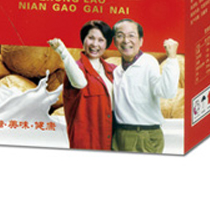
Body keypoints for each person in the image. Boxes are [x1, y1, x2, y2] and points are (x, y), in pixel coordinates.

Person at [111, 18, 180, 153]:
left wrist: (171, 58)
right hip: (119, 134)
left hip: (143, 135)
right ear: (114, 41)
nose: (126, 40)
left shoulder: (148, 62)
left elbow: (167, 92)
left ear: (141, 41)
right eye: (120, 36)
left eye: (131, 36)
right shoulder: (117, 71)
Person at [48, 20, 116, 150]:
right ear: (83, 39)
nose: (95, 44)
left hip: (110, 138)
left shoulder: (112, 70)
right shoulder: (75, 69)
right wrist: (63, 52)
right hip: (87, 141)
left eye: (101, 40)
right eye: (91, 38)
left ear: (107, 43)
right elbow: (80, 82)